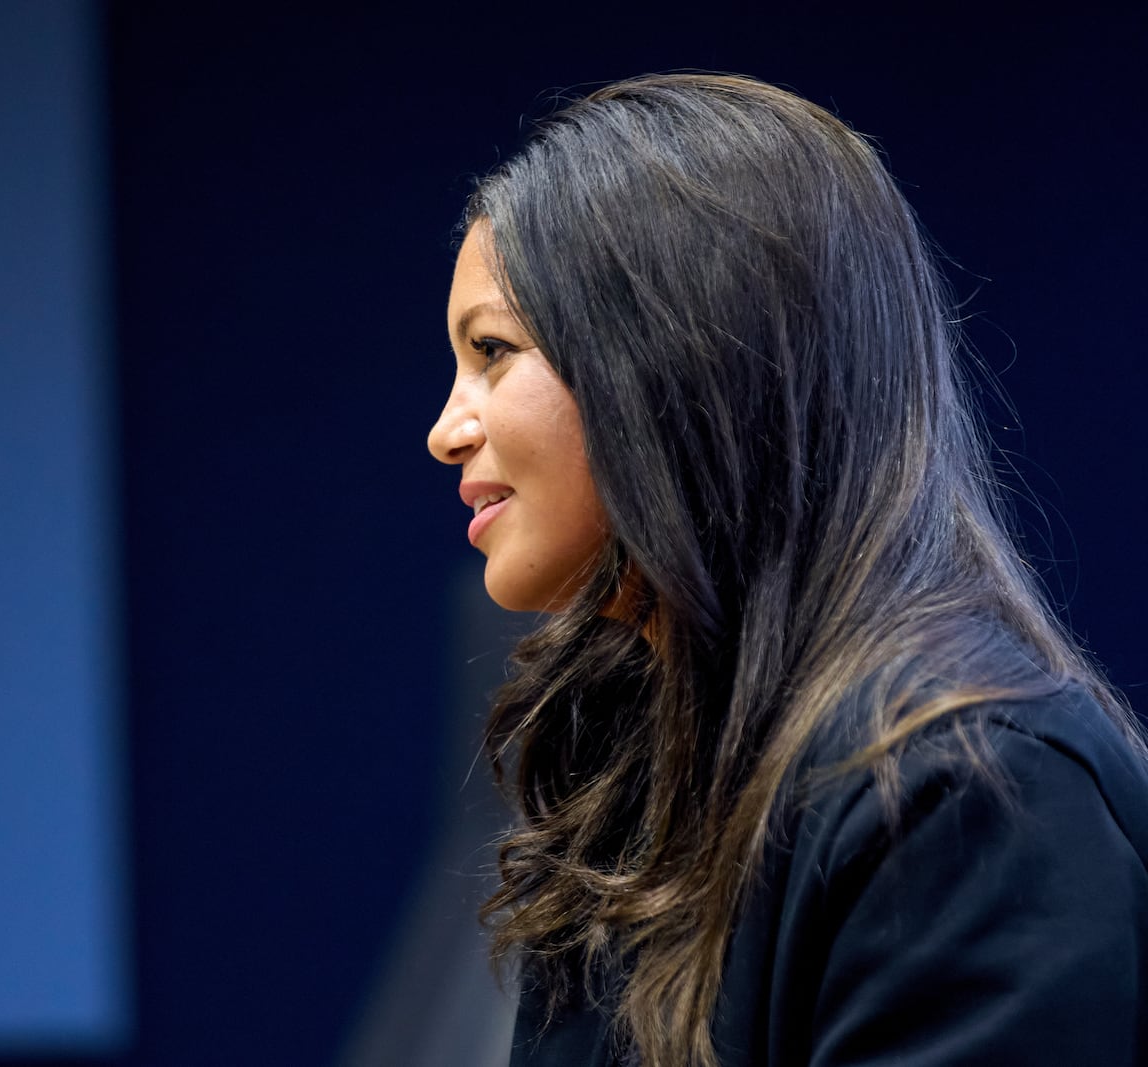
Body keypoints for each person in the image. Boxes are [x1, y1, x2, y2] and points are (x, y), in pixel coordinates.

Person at [426, 73, 1148, 1067]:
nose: (444, 430)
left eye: (493, 350)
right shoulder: (629, 778)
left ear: (673, 360)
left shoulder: (974, 790)